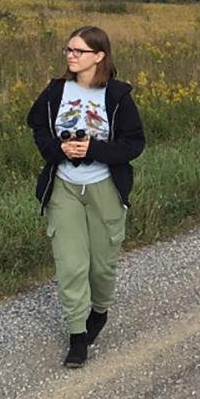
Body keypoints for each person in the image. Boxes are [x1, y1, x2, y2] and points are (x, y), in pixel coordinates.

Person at [27, 26, 147, 368]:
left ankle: (99, 311)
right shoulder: (54, 92)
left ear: (99, 56)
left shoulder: (118, 96)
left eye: (79, 51)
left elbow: (134, 143)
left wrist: (94, 149)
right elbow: (36, 126)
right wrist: (57, 148)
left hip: (104, 188)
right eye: (68, 49)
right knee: (71, 264)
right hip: (63, 186)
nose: (70, 55)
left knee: (101, 266)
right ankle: (77, 336)